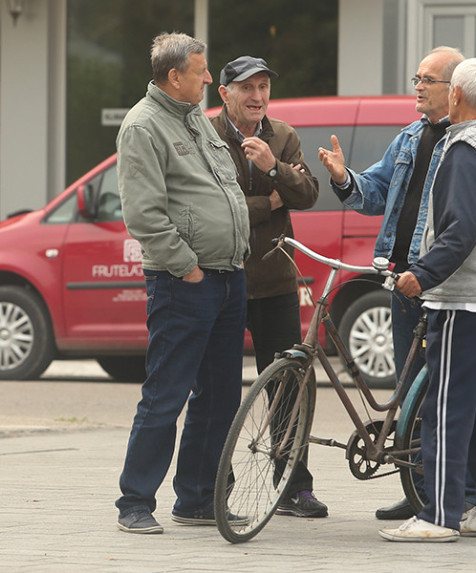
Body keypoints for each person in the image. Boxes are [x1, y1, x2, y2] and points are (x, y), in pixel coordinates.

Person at [317, 46, 475, 521]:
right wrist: (345, 178)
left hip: (441, 284)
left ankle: (458, 493)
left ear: (456, 91)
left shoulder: (466, 144)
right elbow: (376, 193)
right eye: (416, 77)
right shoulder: (408, 138)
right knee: (409, 392)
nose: (419, 87)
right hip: (399, 280)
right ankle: (418, 487)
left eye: (429, 79)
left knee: (443, 393)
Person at [378, 57, 476, 542]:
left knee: (444, 409)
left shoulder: (464, 147)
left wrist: (420, 275)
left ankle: (438, 515)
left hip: (464, 299)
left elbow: (461, 228)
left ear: (458, 96)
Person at [114, 32, 251, 534]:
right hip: (183, 282)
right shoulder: (143, 126)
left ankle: (196, 498)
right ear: (175, 77)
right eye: (201, 71)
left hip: (227, 277)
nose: (210, 79)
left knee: (219, 396)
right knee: (166, 394)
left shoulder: (194, 116)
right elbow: (145, 214)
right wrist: (187, 267)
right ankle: (134, 502)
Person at [210, 56, 327, 518]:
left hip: (276, 278)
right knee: (218, 386)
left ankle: (294, 486)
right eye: (247, 88)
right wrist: (269, 201)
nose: (257, 96)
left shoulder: (283, 136)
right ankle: (217, 481)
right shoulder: (208, 137)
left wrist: (275, 166)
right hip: (224, 276)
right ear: (224, 94)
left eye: (263, 87)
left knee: (289, 384)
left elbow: (309, 193)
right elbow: (221, 206)